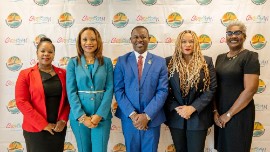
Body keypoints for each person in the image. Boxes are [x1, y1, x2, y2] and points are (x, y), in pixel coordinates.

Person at [114, 25, 168, 152]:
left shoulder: (160, 62)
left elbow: (163, 91)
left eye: (143, 37)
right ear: (131, 39)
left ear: (149, 39)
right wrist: (133, 115)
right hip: (129, 119)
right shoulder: (122, 61)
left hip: (152, 119)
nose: (140, 40)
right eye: (136, 37)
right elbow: (118, 90)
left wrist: (147, 115)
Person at [164, 30, 217, 152]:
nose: (187, 45)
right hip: (176, 117)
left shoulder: (206, 62)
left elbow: (211, 88)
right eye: (184, 42)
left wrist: (192, 108)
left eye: (191, 41)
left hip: (199, 117)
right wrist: (177, 107)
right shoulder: (168, 62)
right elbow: (163, 89)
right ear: (179, 44)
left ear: (196, 44)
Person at [15, 37, 70, 152]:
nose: (46, 54)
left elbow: (68, 101)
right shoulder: (25, 74)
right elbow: (21, 102)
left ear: (54, 54)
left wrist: (63, 120)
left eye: (50, 52)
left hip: (58, 128)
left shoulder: (63, 74)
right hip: (35, 129)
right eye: (43, 51)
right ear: (37, 53)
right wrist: (43, 124)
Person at [214, 21, 260, 152]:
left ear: (244, 36)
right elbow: (214, 87)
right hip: (220, 113)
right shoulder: (220, 58)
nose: (233, 36)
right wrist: (215, 112)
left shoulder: (250, 56)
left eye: (237, 33)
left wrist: (228, 115)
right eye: (230, 33)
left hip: (239, 114)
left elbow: (250, 89)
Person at [66, 27, 113, 152]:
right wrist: (82, 117)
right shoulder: (73, 63)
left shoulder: (107, 62)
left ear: (98, 41)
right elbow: (71, 91)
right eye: (85, 39)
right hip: (80, 117)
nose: (89, 43)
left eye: (93, 39)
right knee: (83, 149)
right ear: (79, 42)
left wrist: (100, 114)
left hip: (102, 116)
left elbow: (109, 89)